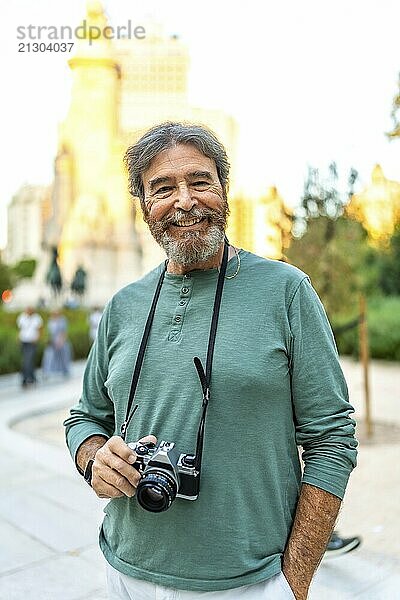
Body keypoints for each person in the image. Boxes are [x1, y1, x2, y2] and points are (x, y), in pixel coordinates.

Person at [64, 122, 358, 600]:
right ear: (144, 206)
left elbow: (332, 438)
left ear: (224, 190)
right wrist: (93, 458)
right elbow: (84, 417)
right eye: (162, 188)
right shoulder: (123, 305)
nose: (184, 200)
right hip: (123, 570)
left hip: (250, 582)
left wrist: (294, 582)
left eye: (200, 181)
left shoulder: (286, 291)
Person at [16, 306, 43, 387]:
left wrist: (38, 338)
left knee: (29, 360)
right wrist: (18, 337)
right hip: (24, 341)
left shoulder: (37, 318)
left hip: (32, 342)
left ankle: (28, 378)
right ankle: (29, 378)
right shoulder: (22, 317)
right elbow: (20, 329)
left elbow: (40, 329)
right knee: (25, 360)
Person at [42, 310, 71, 378]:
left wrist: (61, 341)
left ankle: (65, 371)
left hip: (61, 341)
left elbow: (64, 332)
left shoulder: (63, 320)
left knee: (63, 356)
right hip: (52, 341)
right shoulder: (50, 321)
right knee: (48, 356)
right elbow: (48, 332)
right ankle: (46, 372)